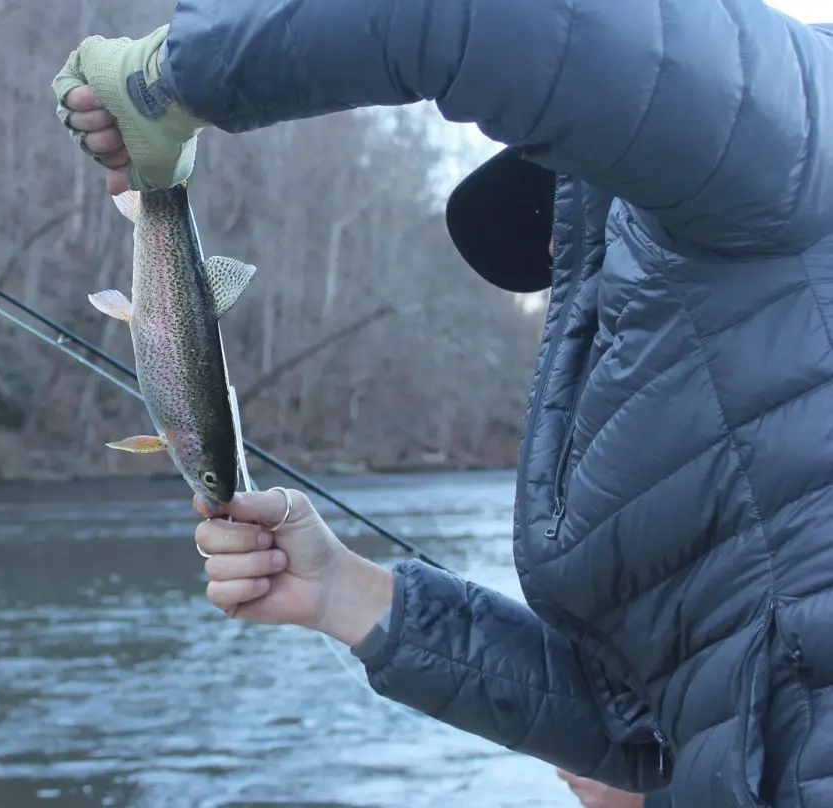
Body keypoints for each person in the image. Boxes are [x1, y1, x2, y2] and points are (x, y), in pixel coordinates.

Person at [51, 2, 833, 807]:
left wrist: (165, 80)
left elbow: (474, 16)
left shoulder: (802, 131)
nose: (569, 269)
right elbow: (643, 722)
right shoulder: (688, 454)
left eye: (590, 240)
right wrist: (341, 590)